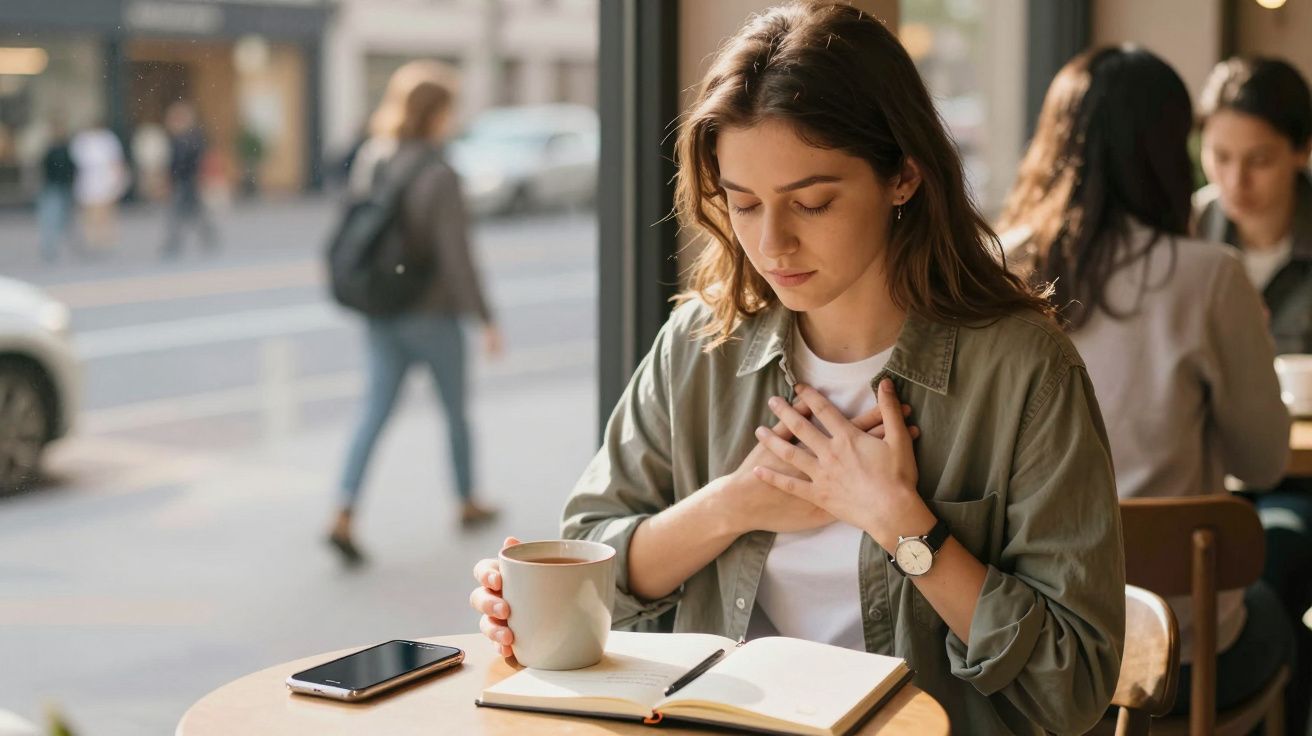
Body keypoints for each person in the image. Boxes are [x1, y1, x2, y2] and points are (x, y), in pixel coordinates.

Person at [469, 3, 1125, 733]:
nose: (772, 242)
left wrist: (902, 524)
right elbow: (600, 566)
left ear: (903, 175)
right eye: (743, 204)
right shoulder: (700, 344)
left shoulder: (1024, 372)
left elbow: (1075, 684)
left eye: (811, 202)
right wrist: (737, 504)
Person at [997, 46, 1297, 726]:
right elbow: (1265, 462)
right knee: (1281, 586)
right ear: (1172, 151)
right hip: (1173, 656)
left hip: (1022, 641)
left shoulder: (997, 268)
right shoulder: (1208, 275)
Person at [328, 60, 503, 565]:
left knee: (374, 411)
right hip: (432, 313)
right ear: (436, 113)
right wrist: (485, 318)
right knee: (454, 411)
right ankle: (467, 501)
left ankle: (343, 510)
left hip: (381, 309)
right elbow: (456, 255)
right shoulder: (440, 172)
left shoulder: (374, 157)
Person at [1195, 55, 1312, 734]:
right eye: (1219, 156)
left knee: (1281, 549)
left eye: (1260, 160)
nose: (1235, 182)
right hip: (1214, 472)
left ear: (1301, 150)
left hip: (1295, 476)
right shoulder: (1187, 236)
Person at [160, 101, 218, 257]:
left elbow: (192, 161)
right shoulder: (177, 138)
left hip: (188, 182)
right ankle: (206, 237)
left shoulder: (191, 138)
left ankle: (175, 243)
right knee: (192, 214)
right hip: (182, 181)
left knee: (180, 214)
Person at [69, 121, 126, 253]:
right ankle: (92, 237)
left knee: (105, 208)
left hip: (104, 177)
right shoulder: (83, 139)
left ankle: (104, 236)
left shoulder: (107, 138)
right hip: (89, 177)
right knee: (90, 209)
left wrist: (116, 177)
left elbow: (115, 159)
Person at [36, 121, 78, 262]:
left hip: (63, 187)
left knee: (64, 219)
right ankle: (50, 247)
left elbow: (72, 168)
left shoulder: (67, 148)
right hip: (52, 188)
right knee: (51, 219)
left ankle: (65, 247)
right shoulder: (51, 150)